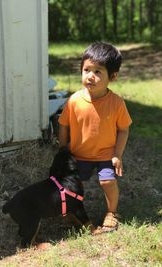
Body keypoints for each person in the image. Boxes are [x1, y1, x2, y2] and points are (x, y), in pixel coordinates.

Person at [58, 42, 132, 233]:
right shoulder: (74, 101)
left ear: (113, 76)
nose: (90, 76)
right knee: (71, 184)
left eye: (98, 72)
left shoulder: (116, 103)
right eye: (86, 69)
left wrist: (117, 154)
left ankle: (112, 212)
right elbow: (63, 125)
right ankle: (71, 212)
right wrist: (63, 148)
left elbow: (124, 129)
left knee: (107, 181)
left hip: (105, 154)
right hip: (79, 154)